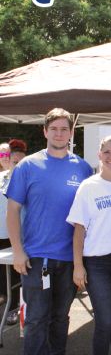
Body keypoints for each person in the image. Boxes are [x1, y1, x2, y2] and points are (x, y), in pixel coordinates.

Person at [6, 108, 93, 355]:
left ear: (71, 133)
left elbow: (87, 217)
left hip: (69, 260)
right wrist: (17, 251)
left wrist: (81, 262)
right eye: (53, 128)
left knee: (61, 318)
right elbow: (12, 211)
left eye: (64, 128)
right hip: (36, 258)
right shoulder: (27, 166)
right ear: (44, 131)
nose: (58, 133)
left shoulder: (84, 169)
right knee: (35, 320)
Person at [67, 135, 111, 355]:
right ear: (99, 155)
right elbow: (79, 229)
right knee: (105, 320)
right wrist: (78, 265)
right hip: (96, 262)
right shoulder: (88, 187)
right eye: (106, 152)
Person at [0, 139, 27, 325]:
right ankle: (7, 301)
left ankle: (14, 307)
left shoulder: (28, 180)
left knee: (17, 274)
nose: (16, 164)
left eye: (20, 162)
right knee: (3, 274)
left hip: (18, 235)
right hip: (1, 233)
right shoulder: (2, 178)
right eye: (13, 161)